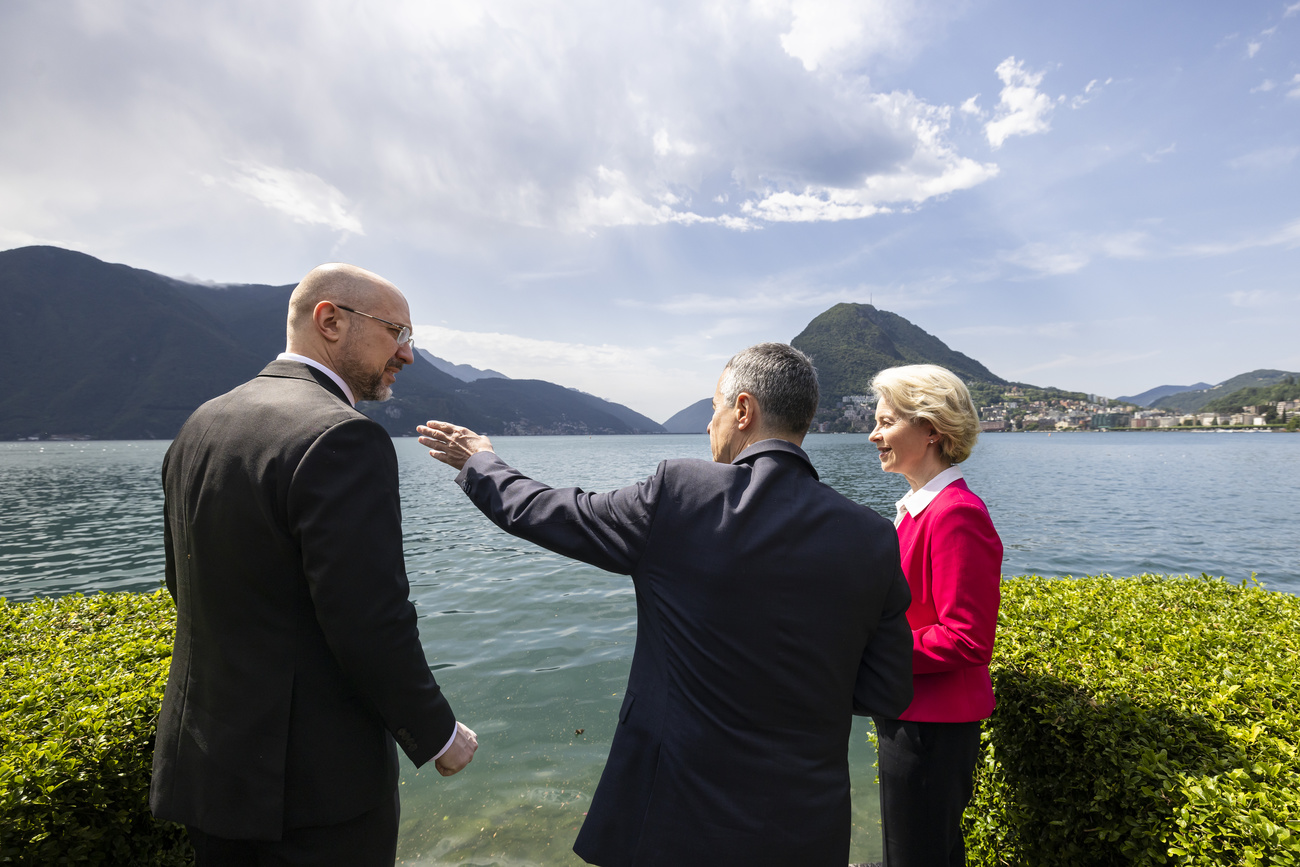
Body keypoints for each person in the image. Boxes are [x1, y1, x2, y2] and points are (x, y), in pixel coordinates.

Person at [417, 342, 913, 867]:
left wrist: (482, 462)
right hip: (807, 828)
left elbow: (548, 512)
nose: (708, 426)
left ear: (743, 411)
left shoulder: (680, 494)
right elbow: (887, 689)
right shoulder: (873, 536)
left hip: (676, 821)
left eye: (714, 409)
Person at [151, 263, 478, 866]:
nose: (407, 354)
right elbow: (367, 617)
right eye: (396, 333)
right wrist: (435, 733)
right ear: (330, 320)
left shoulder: (201, 423)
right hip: (309, 790)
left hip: (208, 769)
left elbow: (183, 582)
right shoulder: (342, 438)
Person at [866, 364, 1003, 867]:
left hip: (933, 725)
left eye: (886, 422)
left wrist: (870, 649)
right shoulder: (923, 509)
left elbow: (967, 639)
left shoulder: (955, 512)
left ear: (930, 429)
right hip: (915, 715)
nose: (873, 434)